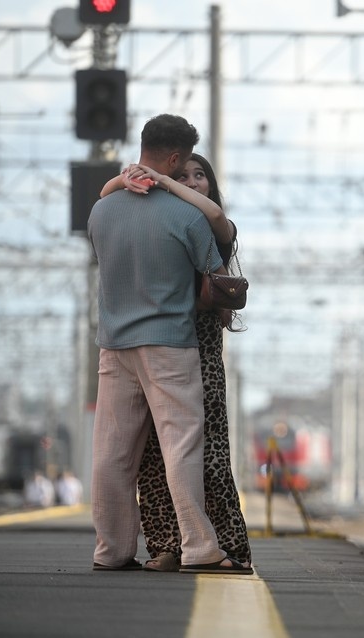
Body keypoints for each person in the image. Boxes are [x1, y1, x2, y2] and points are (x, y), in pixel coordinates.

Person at [86, 113, 248, 575]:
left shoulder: (102, 211)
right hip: (170, 345)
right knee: (182, 446)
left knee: (113, 452)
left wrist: (121, 181)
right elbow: (215, 274)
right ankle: (200, 547)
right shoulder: (187, 215)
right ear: (175, 158)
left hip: (113, 344)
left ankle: (111, 550)